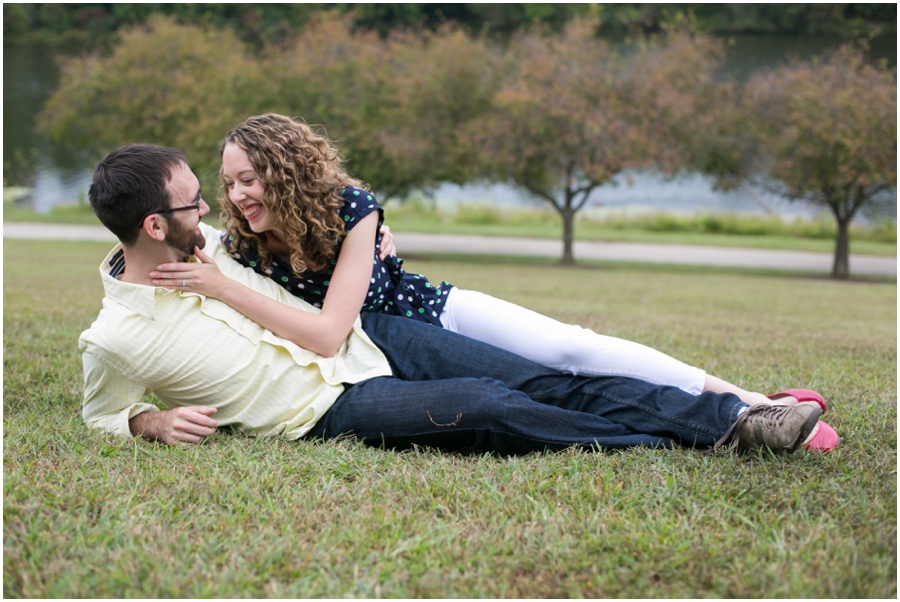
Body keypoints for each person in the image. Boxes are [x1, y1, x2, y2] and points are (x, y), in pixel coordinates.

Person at [81, 143, 825, 457]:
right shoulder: (116, 337)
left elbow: (312, 242)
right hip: (323, 409)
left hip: (371, 337)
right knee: (490, 403)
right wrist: (147, 419)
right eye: (195, 203)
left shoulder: (215, 248)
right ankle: (680, 441)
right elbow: (98, 412)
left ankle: (738, 417)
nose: (214, 209)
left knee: (549, 370)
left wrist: (369, 243)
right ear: (155, 226)